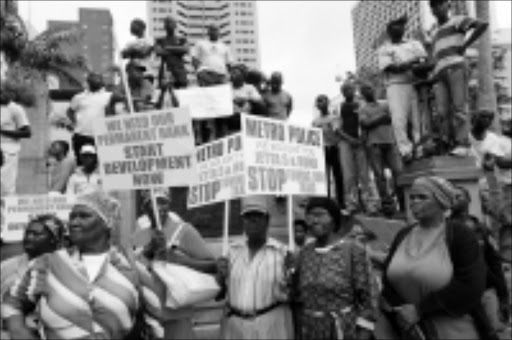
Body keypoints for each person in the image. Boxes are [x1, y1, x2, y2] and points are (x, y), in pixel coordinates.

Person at [2, 190, 164, 340]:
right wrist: (18, 330)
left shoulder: (130, 266)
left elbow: (155, 319)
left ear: (106, 222)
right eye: (72, 217)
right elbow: (13, 301)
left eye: (83, 216)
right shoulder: (48, 263)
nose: (74, 222)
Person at [377, 176, 486, 339]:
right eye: (412, 197)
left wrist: (420, 309)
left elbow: (471, 284)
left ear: (441, 202)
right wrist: (401, 310)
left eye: (422, 197)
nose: (414, 202)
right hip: (410, 328)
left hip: (451, 329)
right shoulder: (403, 234)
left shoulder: (460, 234)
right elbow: (388, 277)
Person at [135, 188, 217, 340]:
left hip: (177, 318)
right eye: (151, 203)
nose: (158, 207)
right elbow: (135, 270)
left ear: (169, 204)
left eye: (163, 202)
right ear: (144, 208)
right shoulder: (139, 235)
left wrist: (179, 260)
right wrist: (148, 250)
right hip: (149, 319)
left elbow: (212, 265)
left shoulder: (184, 231)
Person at [290, 197, 376, 340]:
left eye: (320, 215)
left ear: (334, 219)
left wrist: (363, 333)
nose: (314, 220)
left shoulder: (353, 250)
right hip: (311, 330)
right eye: (310, 215)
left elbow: (368, 299)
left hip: (343, 329)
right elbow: (298, 295)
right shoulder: (304, 253)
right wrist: (291, 274)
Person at [216, 196, 293, 340]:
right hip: (235, 326)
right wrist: (220, 276)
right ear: (242, 221)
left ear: (267, 220)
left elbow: (293, 294)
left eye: (258, 216)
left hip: (270, 325)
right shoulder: (231, 251)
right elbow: (220, 294)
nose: (252, 220)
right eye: (247, 216)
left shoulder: (282, 253)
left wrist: (292, 275)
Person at [429, 0, 489, 156]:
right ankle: (448, 142)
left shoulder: (457, 20)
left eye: (440, 4)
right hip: (440, 73)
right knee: (442, 112)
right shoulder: (435, 32)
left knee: (459, 106)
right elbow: (436, 56)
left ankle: (463, 143)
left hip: (456, 67)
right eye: (434, 6)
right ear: (432, 10)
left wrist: (466, 44)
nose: (437, 8)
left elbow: (482, 24)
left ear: (447, 6)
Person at [0, 214, 65, 339]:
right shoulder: (5, 267)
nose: (29, 238)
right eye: (27, 233)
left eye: (36, 234)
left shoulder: (66, 267)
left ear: (53, 239)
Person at [378, 15, 427, 163]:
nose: (398, 28)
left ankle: (420, 148)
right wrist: (411, 63)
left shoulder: (414, 44)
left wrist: (411, 64)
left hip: (416, 83)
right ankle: (405, 151)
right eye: (395, 26)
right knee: (399, 120)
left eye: (401, 26)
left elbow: (423, 61)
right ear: (389, 31)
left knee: (419, 119)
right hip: (396, 85)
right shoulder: (385, 48)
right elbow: (391, 67)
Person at [359, 84, 403, 214]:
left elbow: (393, 118)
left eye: (371, 88)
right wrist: (381, 118)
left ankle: (402, 201)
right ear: (362, 94)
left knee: (398, 172)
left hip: (390, 142)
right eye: (366, 90)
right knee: (379, 176)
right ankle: (386, 204)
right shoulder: (363, 109)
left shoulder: (385, 104)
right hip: (374, 144)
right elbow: (365, 124)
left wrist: (374, 121)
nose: (369, 91)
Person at [470, 110, 512, 236]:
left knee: (500, 221)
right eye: (482, 117)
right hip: (496, 184)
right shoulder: (502, 141)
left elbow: (494, 162)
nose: (486, 121)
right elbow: (499, 163)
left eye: (489, 118)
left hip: (492, 185)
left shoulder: (493, 138)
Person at [336, 83, 372, 213]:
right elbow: (337, 129)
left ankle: (369, 203)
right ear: (343, 92)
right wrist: (350, 140)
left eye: (351, 89)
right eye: (345, 90)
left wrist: (363, 137)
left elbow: (366, 122)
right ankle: (351, 204)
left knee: (364, 174)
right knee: (348, 175)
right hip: (345, 143)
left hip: (360, 142)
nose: (349, 91)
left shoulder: (361, 104)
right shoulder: (338, 106)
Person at [67, 73, 112, 162]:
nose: (96, 81)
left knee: (100, 163)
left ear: (102, 82)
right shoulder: (79, 97)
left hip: (100, 137)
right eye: (93, 79)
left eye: (98, 79)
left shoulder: (109, 96)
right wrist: (74, 123)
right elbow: (70, 111)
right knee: (80, 163)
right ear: (88, 82)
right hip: (81, 135)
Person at [312, 95, 344, 208]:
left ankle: (341, 202)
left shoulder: (334, 117)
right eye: (319, 101)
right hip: (322, 150)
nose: (321, 103)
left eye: (323, 101)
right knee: (324, 177)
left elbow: (338, 132)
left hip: (334, 148)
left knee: (338, 175)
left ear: (328, 102)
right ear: (317, 105)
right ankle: (326, 202)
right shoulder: (315, 122)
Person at [0, 84, 31, 195]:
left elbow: (27, 132)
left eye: (3, 92)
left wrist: (2, 132)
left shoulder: (15, 109)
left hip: (8, 151)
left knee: (6, 187)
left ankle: (7, 211)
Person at [154, 16, 189, 91]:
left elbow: (185, 49)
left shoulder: (182, 39)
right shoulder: (159, 40)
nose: (169, 24)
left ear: (176, 25)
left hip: (180, 71)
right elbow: (159, 52)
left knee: (182, 94)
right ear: (164, 26)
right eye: (167, 22)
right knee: (164, 95)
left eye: (172, 22)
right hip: (165, 70)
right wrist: (177, 50)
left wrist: (167, 48)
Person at [230, 66, 263, 132]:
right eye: (232, 73)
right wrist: (233, 100)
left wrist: (245, 99)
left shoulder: (249, 88)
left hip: (246, 120)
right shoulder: (226, 87)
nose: (232, 75)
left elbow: (259, 100)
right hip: (231, 121)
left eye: (235, 73)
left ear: (242, 75)